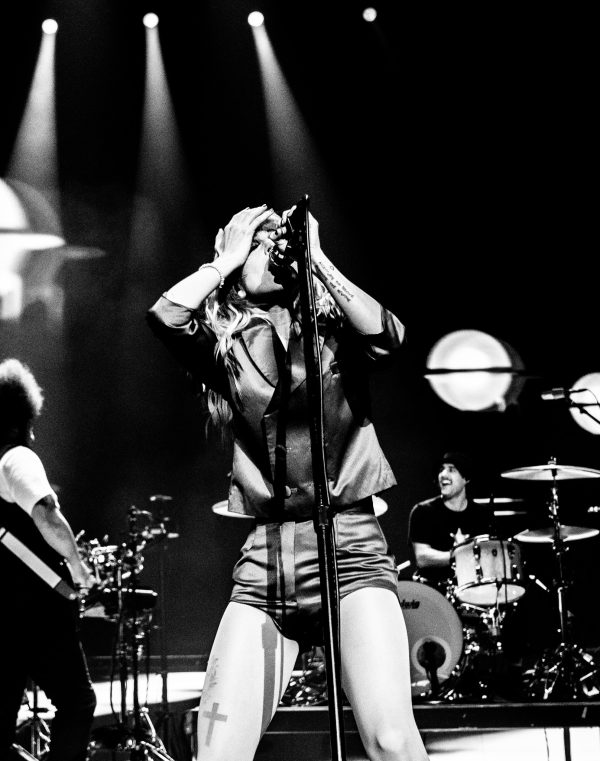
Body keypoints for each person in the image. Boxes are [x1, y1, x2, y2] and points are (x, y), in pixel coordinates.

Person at [147, 203, 429, 760]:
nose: (273, 252)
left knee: (391, 742)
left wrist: (317, 258)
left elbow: (390, 337)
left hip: (349, 550)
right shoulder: (226, 350)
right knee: (217, 754)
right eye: (260, 245)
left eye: (279, 243)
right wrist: (225, 260)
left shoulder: (333, 333)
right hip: (266, 563)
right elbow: (166, 316)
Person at [0, 358, 97, 761]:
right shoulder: (16, 459)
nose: (34, 433)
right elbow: (47, 515)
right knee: (77, 702)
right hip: (34, 612)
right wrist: (78, 566)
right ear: (19, 420)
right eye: (30, 423)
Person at [407, 451, 491, 593]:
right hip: (433, 593)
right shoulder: (422, 511)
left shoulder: (481, 514)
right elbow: (422, 558)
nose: (443, 474)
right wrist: (458, 555)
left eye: (451, 470)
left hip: (473, 590)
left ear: (466, 478)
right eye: (441, 470)